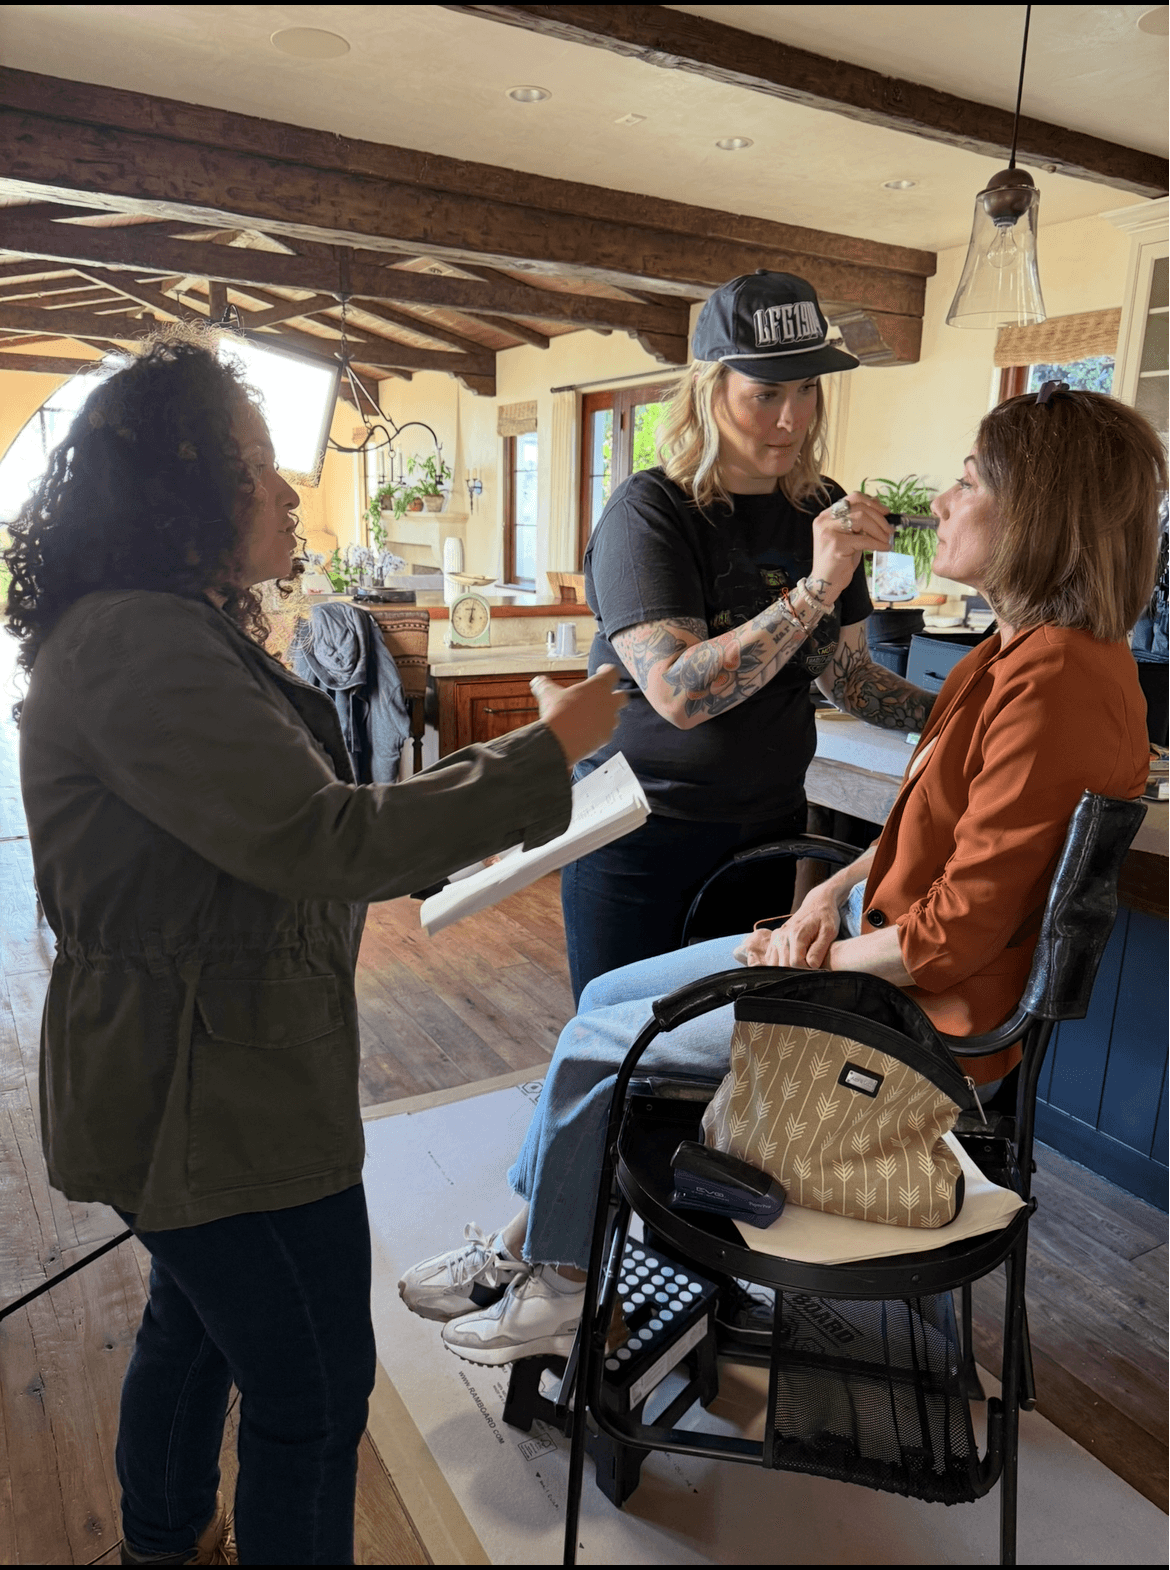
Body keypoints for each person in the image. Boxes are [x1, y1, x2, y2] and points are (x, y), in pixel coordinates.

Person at [3, 335, 624, 1567]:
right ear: (178, 490)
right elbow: (317, 833)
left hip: (203, 1074)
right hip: (213, 1093)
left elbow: (278, 834)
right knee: (315, 1395)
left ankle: (162, 1542)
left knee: (197, 1323)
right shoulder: (139, 640)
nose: (288, 492)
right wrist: (547, 752)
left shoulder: (153, 626)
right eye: (257, 466)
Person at [400, 384, 1164, 1368]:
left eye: (969, 477)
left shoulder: (1059, 683)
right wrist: (824, 896)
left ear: (1036, 511)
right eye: (768, 391)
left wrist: (819, 956)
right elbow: (921, 843)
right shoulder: (1010, 657)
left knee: (599, 1040)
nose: (941, 495)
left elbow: (953, 936)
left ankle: (555, 1280)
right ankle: (529, 1247)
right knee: (603, 999)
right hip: (875, 972)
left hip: (908, 1026)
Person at [562, 270, 934, 1003]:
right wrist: (817, 584)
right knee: (620, 1040)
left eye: (806, 391)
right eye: (767, 394)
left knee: (727, 1039)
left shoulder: (821, 506)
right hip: (638, 832)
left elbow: (849, 677)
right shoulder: (652, 512)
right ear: (710, 390)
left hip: (765, 829)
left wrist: (965, 714)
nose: (791, 419)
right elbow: (678, 693)